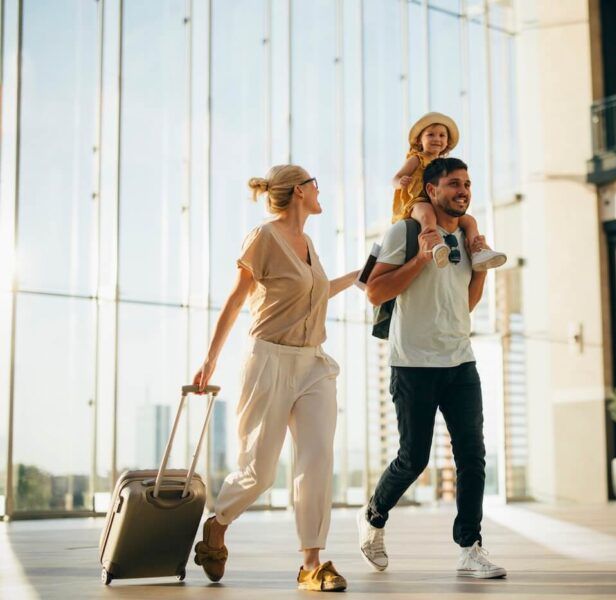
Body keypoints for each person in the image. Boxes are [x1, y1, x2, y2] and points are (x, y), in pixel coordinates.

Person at [191, 164, 358, 592]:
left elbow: (314, 294)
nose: (321, 191)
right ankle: (218, 522)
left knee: (317, 459)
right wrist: (210, 359)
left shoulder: (309, 243)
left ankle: (312, 563)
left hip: (313, 364)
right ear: (300, 191)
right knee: (259, 471)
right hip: (269, 360)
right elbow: (235, 299)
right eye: (316, 184)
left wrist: (359, 275)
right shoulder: (264, 238)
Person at [358, 157, 507, 579]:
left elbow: (465, 303)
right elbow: (374, 292)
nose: (463, 191)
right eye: (454, 184)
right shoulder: (405, 232)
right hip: (413, 364)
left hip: (460, 361)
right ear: (432, 190)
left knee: (472, 456)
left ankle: (469, 547)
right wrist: (422, 259)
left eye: (468, 184)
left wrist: (480, 270)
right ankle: (372, 516)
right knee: (413, 458)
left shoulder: (467, 236)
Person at [392, 112, 506, 271]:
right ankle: (434, 244)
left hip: (438, 203)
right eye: (430, 135)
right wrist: (401, 183)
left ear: (447, 141)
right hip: (418, 201)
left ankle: (478, 250)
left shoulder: (444, 165)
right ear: (419, 140)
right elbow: (396, 177)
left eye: (441, 135)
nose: (437, 139)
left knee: (470, 221)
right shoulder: (417, 159)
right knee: (427, 214)